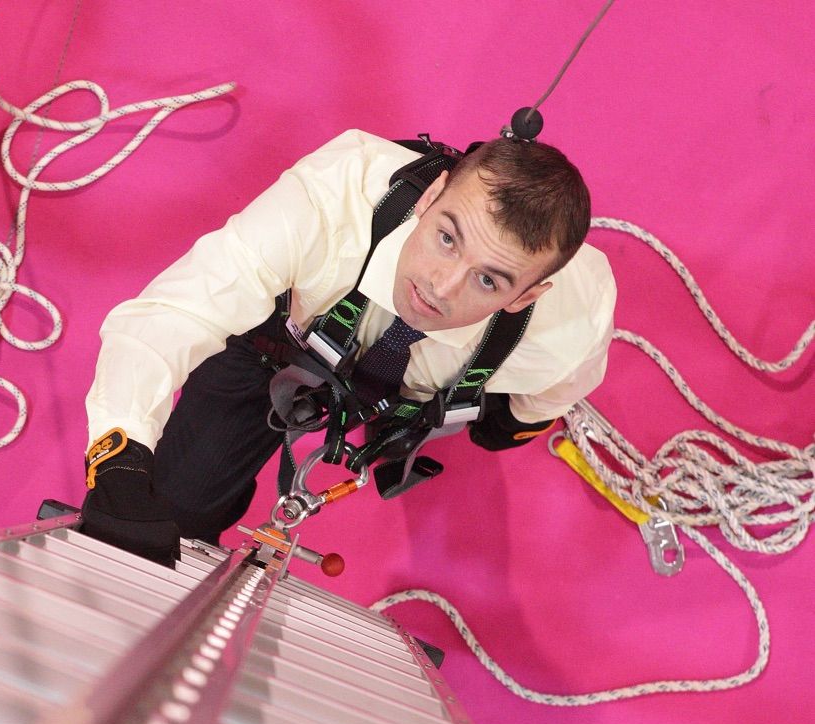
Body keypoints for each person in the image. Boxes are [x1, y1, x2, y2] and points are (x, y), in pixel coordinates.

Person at [78, 128, 618, 566]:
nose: (440, 287)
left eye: (489, 281)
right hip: (285, 336)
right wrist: (119, 457)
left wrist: (485, 421)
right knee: (175, 506)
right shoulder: (328, 201)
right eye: (447, 239)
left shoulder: (571, 325)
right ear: (429, 199)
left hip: (425, 382)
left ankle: (396, 414)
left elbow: (535, 408)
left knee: (479, 426)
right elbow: (173, 313)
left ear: (528, 297)